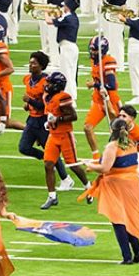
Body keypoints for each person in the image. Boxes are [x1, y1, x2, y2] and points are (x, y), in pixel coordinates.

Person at [85, 117, 139, 264]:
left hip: (116, 185)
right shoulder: (131, 143)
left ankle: (127, 256)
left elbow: (105, 168)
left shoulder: (112, 146)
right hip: (132, 183)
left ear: (112, 130)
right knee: (128, 217)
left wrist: (91, 166)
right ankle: (137, 250)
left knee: (117, 220)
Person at [41, 72, 88, 208]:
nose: (47, 85)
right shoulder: (49, 97)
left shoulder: (63, 97)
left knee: (73, 165)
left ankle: (88, 186)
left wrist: (57, 119)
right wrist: (49, 123)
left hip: (65, 135)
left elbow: (73, 116)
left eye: (50, 83)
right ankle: (52, 196)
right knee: (48, 164)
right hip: (53, 135)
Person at [83, 35, 120, 156]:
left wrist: (95, 85)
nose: (92, 52)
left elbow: (111, 85)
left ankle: (122, 156)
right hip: (99, 101)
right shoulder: (94, 61)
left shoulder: (108, 61)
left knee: (119, 131)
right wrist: (96, 86)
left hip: (111, 100)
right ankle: (96, 156)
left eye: (95, 50)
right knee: (88, 127)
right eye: (91, 49)